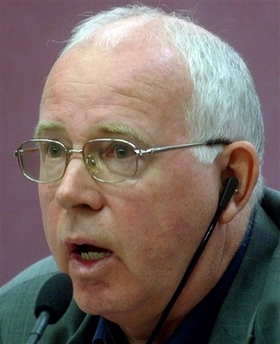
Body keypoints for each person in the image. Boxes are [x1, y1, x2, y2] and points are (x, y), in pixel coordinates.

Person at [0, 5, 279, 344]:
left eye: (119, 152)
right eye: (55, 150)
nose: (68, 192)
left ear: (232, 181)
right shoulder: (18, 319)